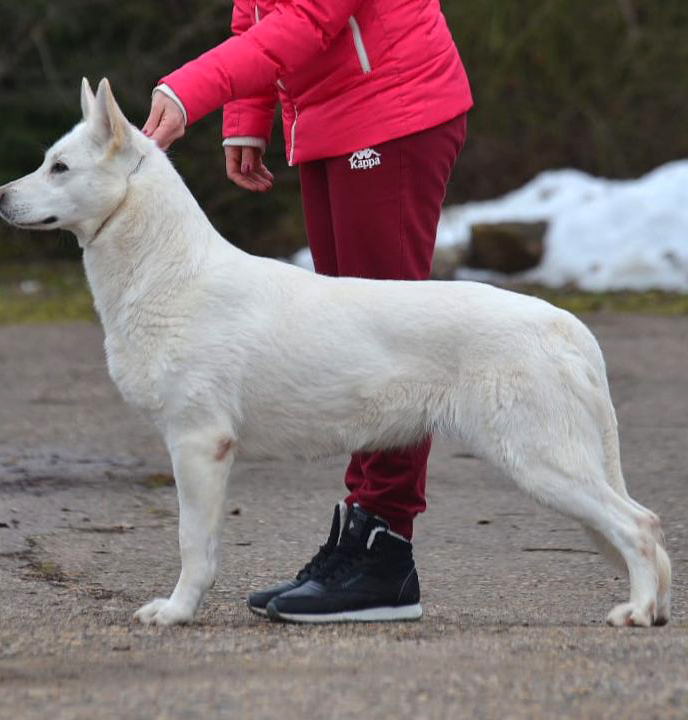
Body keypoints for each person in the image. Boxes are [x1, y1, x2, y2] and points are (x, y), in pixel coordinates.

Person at [142, 0, 472, 623]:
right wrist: (247, 115)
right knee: (349, 339)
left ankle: (385, 549)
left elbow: (305, 20)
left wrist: (190, 91)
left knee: (391, 339)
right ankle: (361, 537)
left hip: (393, 109)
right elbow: (256, 15)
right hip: (328, 117)